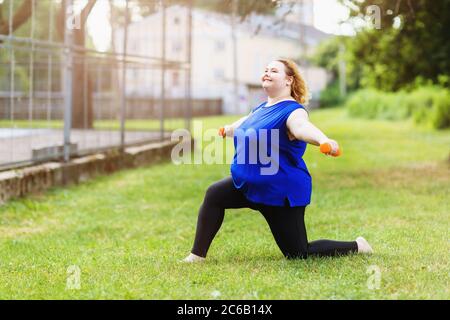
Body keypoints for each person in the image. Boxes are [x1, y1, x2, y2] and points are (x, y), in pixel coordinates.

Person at [182, 59, 373, 263]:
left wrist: (323, 140)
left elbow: (301, 128)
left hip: (279, 192)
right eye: (265, 70)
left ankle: (358, 246)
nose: (267, 73)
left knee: (298, 253)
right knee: (214, 194)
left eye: (274, 71)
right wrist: (229, 129)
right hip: (247, 187)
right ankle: (197, 255)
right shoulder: (261, 108)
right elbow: (245, 123)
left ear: (288, 80)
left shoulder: (293, 110)